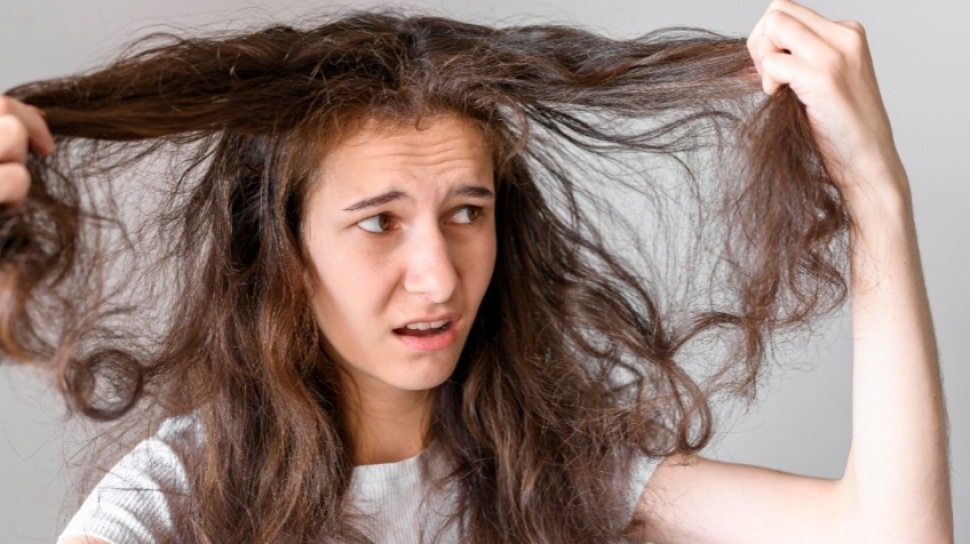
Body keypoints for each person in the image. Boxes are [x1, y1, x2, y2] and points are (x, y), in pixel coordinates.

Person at [0, 0, 952, 542]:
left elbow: (892, 531)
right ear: (281, 253)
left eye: (467, 213)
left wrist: (876, 192)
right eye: (379, 223)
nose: (440, 278)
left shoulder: (560, 473)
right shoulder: (172, 502)